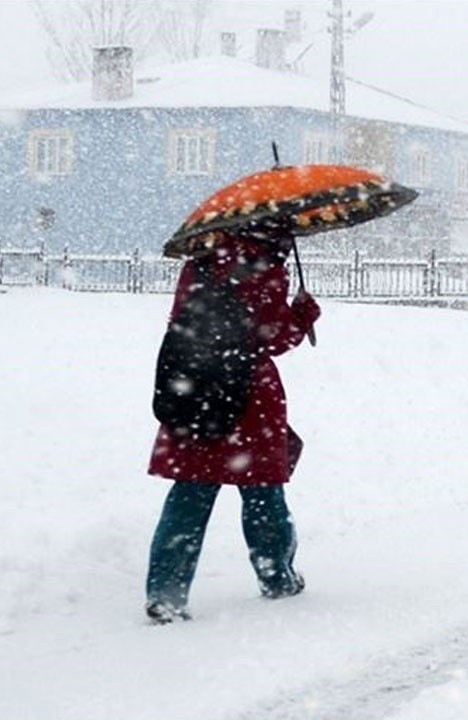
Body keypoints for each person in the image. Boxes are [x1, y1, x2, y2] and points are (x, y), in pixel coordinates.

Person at [145, 232, 321, 624]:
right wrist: (303, 315)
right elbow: (273, 337)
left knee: (190, 494)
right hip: (247, 396)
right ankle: (278, 577)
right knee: (263, 493)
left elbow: (181, 319)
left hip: (196, 387)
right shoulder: (265, 266)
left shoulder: (201, 259)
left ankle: (165, 593)